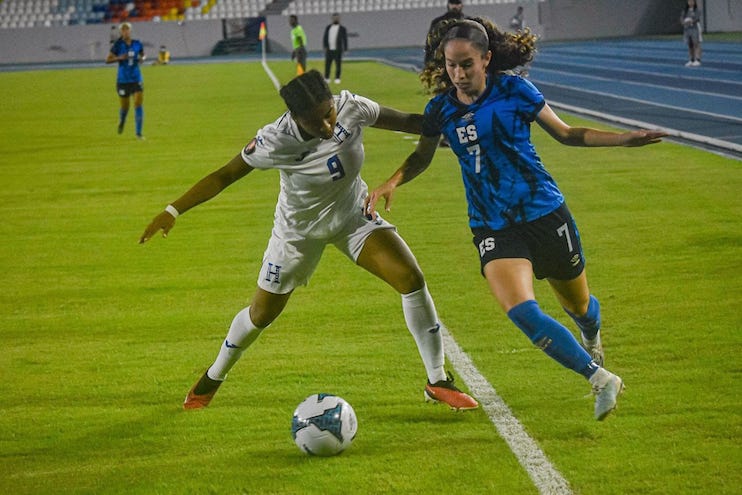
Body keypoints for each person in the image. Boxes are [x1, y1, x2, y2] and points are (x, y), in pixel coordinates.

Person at [364, 18, 668, 421]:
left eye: (466, 64)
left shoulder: (514, 90)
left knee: (579, 306)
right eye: (451, 65)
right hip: (492, 225)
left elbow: (566, 134)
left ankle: (591, 334)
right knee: (522, 310)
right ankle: (599, 378)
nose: (458, 74)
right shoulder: (441, 109)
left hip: (544, 213)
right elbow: (422, 155)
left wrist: (623, 139)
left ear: (486, 59)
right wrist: (391, 182)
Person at [139, 69, 479, 412]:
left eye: (329, 114)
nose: (327, 126)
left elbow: (410, 122)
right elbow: (225, 175)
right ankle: (213, 376)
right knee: (261, 315)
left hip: (351, 215)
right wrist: (173, 210)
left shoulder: (351, 107)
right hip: (297, 234)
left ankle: (437, 381)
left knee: (411, 278)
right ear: (295, 118)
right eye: (316, 122)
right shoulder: (274, 140)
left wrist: (458, 117)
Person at [106, 22, 145, 139]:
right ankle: (122, 121)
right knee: (125, 107)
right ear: (121, 32)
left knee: (138, 103)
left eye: (127, 29)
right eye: (123, 30)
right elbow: (108, 60)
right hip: (123, 80)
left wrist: (142, 59)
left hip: (136, 78)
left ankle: (138, 133)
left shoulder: (137, 43)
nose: (125, 32)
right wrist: (119, 58)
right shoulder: (118, 45)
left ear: (130, 31)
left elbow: (143, 55)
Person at [424, 0, 464, 66]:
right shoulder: (437, 22)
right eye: (452, 3)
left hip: (462, 57)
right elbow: (430, 44)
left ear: (462, 5)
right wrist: (428, 62)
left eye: (457, 3)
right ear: (448, 4)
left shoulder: (468, 21)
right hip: (441, 59)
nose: (454, 6)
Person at [322, 12, 348, 84]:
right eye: (334, 18)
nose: (336, 19)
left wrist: (345, 49)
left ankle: (337, 78)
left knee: (338, 64)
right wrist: (324, 47)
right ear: (332, 18)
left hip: (338, 49)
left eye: (337, 18)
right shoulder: (328, 28)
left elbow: (345, 39)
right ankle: (327, 77)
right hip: (329, 49)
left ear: (339, 19)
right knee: (327, 64)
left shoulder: (342, 29)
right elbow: (325, 37)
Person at [681, 0, 703, 67]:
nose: (690, 3)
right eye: (689, 1)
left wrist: (690, 21)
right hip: (687, 29)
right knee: (690, 45)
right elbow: (681, 18)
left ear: (694, 2)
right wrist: (683, 22)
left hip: (695, 28)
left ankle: (698, 60)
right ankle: (692, 59)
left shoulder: (697, 10)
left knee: (696, 43)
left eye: (692, 1)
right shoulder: (685, 11)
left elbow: (697, 18)